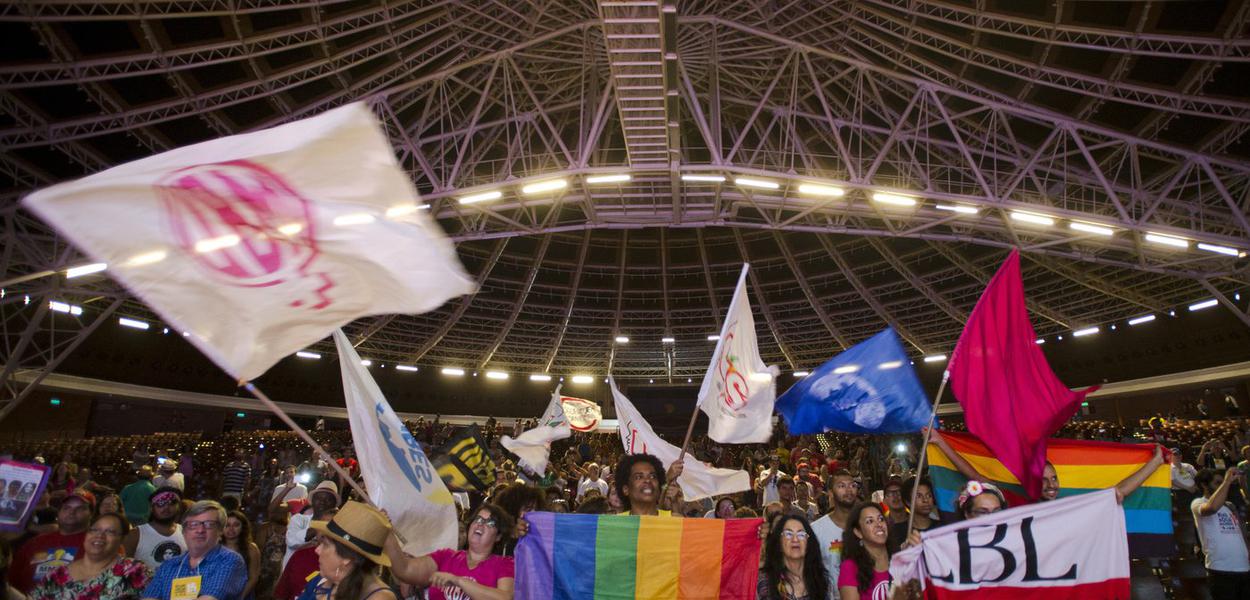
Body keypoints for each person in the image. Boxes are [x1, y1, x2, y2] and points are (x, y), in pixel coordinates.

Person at [928, 428, 1164, 504]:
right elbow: (975, 475)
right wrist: (941, 442)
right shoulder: (1016, 501)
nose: (1051, 485)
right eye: (1042, 479)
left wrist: (1155, 463)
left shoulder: (1070, 506)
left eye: (1053, 479)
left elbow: (1119, 491)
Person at [385, 503, 515, 600]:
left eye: (490, 523)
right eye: (478, 519)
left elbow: (504, 598)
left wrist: (458, 581)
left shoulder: (505, 564)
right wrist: (386, 531)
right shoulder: (445, 556)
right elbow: (405, 570)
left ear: (498, 536)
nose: (480, 524)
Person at [142, 501, 247, 600]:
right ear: (184, 531)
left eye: (209, 524)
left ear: (220, 531)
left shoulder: (229, 560)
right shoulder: (169, 565)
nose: (200, 530)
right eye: (193, 524)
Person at [30, 513, 149, 600]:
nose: (100, 535)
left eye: (110, 532)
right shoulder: (56, 575)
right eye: (94, 530)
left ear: (121, 539)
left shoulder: (134, 570)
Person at [297, 503, 394, 600]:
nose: (317, 550)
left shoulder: (379, 597)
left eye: (325, 544)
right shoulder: (325, 581)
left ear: (347, 557)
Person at [10, 490, 94, 593]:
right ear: (59, 512)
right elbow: (12, 578)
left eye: (80, 508)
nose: (71, 511)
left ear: (91, 514)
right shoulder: (36, 542)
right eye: (66, 507)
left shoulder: (98, 546)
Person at [1191, 468, 1250, 599]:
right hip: (1220, 568)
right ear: (1204, 485)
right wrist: (1227, 481)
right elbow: (1211, 508)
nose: (1222, 485)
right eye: (1217, 483)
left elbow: (1242, 534)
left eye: (1222, 482)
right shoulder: (1198, 503)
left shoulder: (1230, 506)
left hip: (1244, 568)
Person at [837, 502, 905, 600]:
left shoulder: (900, 560)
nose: (878, 524)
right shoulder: (850, 567)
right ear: (858, 532)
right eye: (870, 521)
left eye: (881, 519)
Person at [757, 514, 829, 600]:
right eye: (788, 534)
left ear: (809, 543)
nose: (795, 539)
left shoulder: (818, 579)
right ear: (779, 542)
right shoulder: (765, 581)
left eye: (801, 534)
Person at [812, 469, 857, 599]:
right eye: (841, 486)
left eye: (852, 485)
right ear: (830, 493)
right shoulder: (816, 530)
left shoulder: (867, 526)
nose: (848, 490)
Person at [123, 487, 186, 574]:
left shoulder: (187, 532)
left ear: (179, 506)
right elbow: (123, 567)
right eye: (161, 503)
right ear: (152, 508)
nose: (166, 507)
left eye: (172, 502)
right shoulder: (136, 534)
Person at [283, 481, 340, 569]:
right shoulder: (299, 519)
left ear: (334, 505)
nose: (322, 502)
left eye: (328, 500)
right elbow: (291, 541)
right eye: (319, 498)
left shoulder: (337, 528)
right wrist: (321, 526)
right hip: (292, 571)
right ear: (312, 501)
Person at [888, 477, 941, 548]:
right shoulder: (897, 533)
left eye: (929, 495)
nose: (925, 500)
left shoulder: (941, 528)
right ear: (908, 502)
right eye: (919, 496)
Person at [256, 501, 290, 599]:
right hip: (264, 571)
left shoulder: (291, 529)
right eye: (278, 511)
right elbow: (259, 549)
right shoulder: (266, 528)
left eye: (283, 512)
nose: (281, 514)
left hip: (280, 572)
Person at [223, 511, 260, 600]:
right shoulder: (214, 547)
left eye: (236, 525)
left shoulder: (251, 548)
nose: (231, 529)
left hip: (242, 594)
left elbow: (253, 578)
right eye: (227, 525)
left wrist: (241, 597)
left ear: (243, 527)